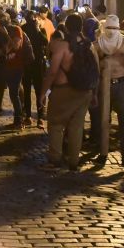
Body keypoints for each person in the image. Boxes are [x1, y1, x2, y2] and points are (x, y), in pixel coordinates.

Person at [43, 13, 94, 170]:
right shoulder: (89, 45)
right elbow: (95, 69)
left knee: (56, 125)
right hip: (84, 91)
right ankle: (73, 161)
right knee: (77, 126)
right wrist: (95, 93)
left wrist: (42, 92)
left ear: (66, 27)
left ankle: (55, 160)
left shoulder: (62, 46)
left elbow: (52, 72)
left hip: (63, 90)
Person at [95, 15, 124, 168]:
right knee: (103, 121)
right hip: (104, 84)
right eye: (109, 28)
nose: (112, 31)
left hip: (121, 82)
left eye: (114, 28)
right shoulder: (99, 43)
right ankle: (103, 154)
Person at [21, 11, 50, 128]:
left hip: (37, 64)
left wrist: (38, 30)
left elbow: (45, 41)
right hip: (28, 64)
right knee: (29, 90)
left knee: (38, 91)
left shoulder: (39, 30)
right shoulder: (23, 29)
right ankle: (30, 116)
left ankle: (39, 117)